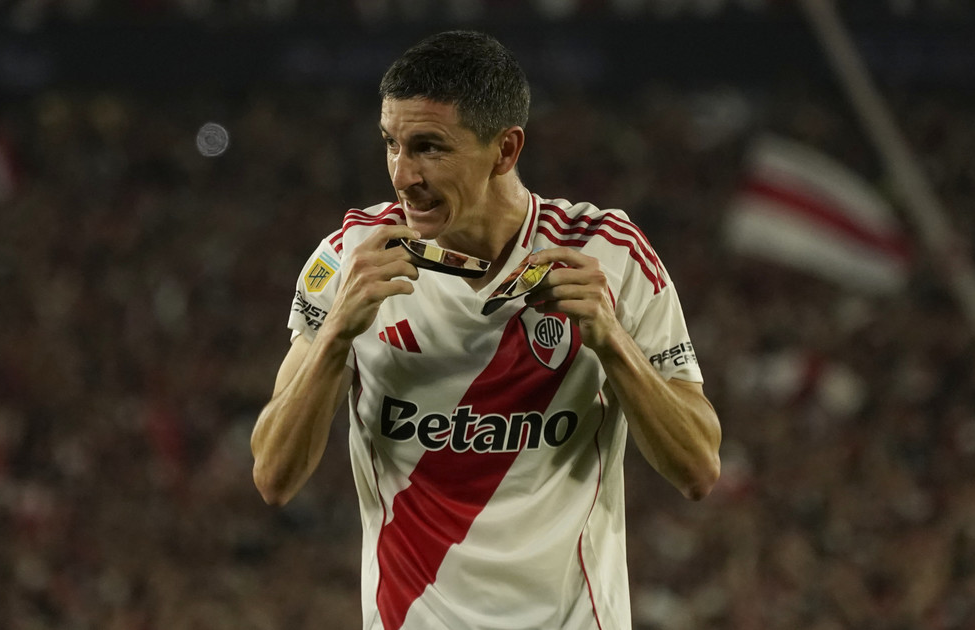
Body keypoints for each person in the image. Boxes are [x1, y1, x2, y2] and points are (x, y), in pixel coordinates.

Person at [250, 30, 722, 630]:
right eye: (391, 144)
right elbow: (273, 477)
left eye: (429, 148)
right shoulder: (351, 259)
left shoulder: (608, 253)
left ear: (505, 150)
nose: (402, 174)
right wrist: (337, 333)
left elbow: (698, 468)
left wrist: (611, 340)